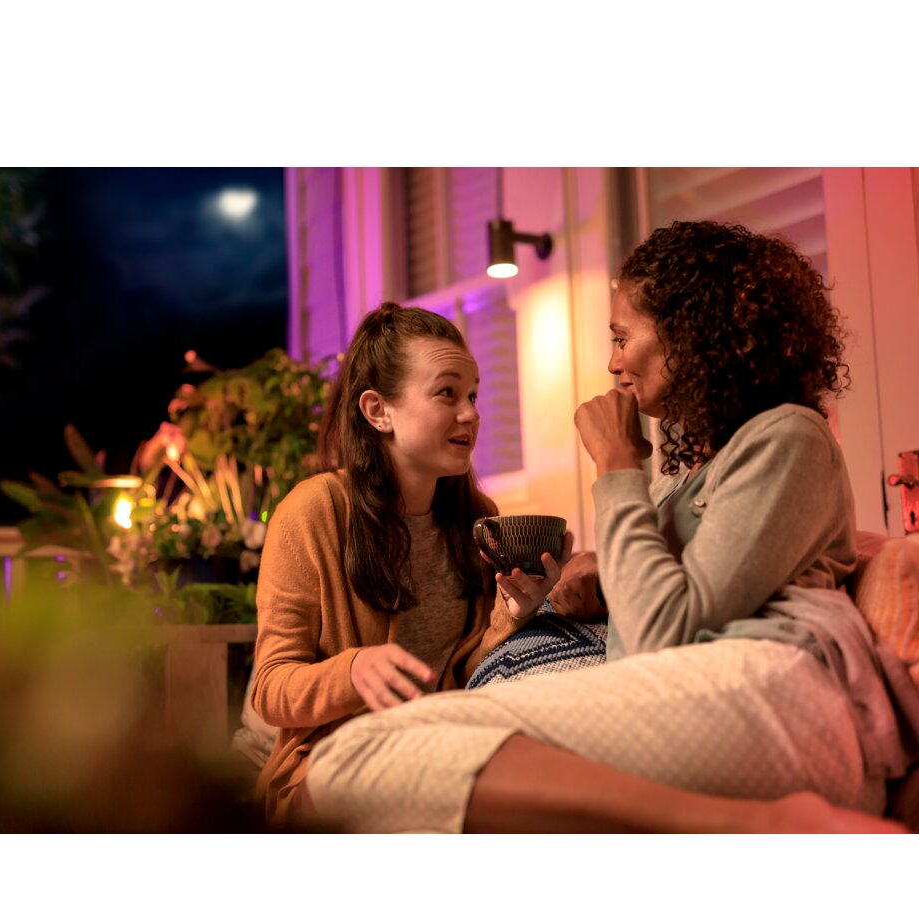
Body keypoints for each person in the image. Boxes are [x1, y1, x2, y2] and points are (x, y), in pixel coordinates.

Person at [303, 220, 919, 833]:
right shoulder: (692, 469)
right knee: (365, 763)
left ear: (689, 333)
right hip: (693, 688)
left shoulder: (788, 436)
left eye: (622, 337)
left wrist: (617, 464)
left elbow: (657, 634)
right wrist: (600, 580)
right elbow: (666, 602)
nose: (612, 361)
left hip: (777, 691)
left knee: (354, 761)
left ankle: (760, 823)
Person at [247, 302, 570, 827]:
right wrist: (354, 671)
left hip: (442, 745)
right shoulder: (314, 512)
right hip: (330, 764)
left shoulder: (478, 520)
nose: (470, 413)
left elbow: (461, 672)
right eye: (447, 393)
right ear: (378, 411)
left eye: (472, 395)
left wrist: (514, 614)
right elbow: (270, 689)